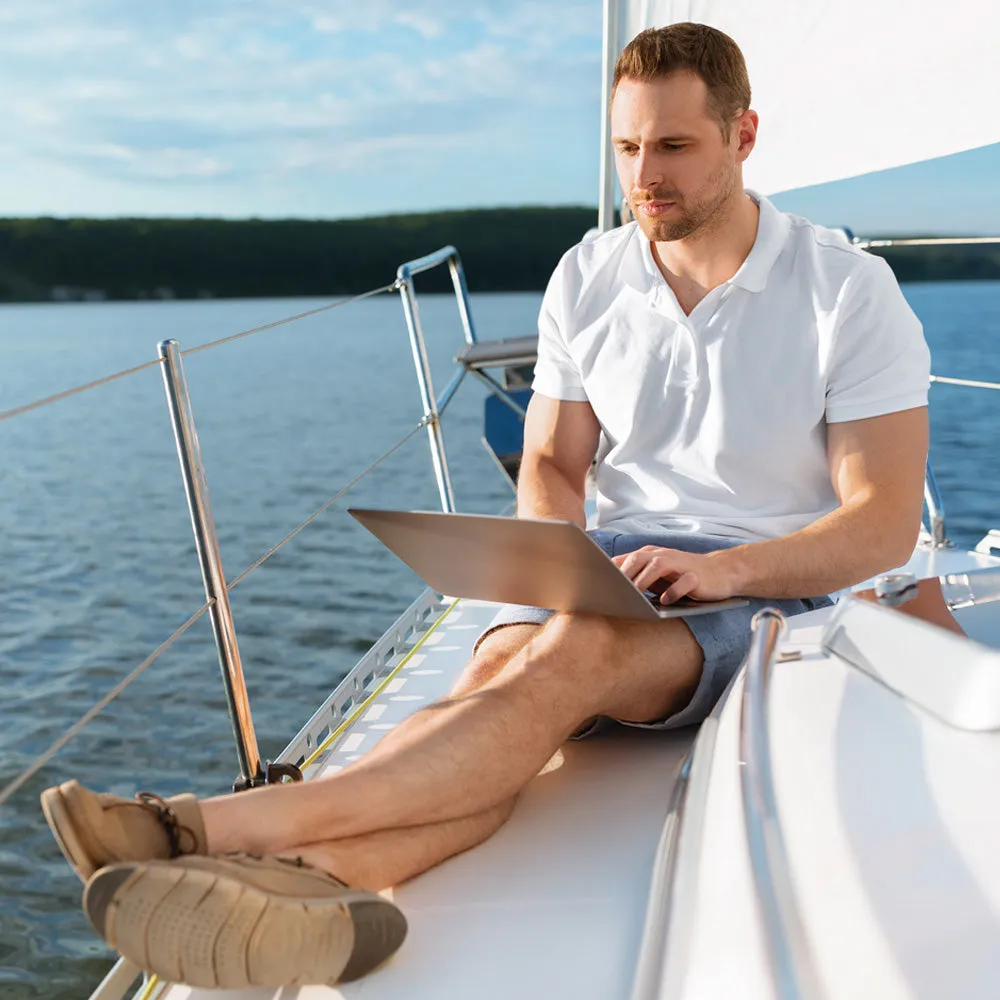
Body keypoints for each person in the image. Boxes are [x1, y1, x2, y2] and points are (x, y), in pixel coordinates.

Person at [40, 21, 930, 990]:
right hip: (618, 562)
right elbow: (550, 458)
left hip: (764, 589)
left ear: (743, 135)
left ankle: (202, 824)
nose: (645, 175)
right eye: (627, 149)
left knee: (573, 657)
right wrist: (556, 567)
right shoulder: (588, 275)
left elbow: (879, 522)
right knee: (501, 681)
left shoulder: (844, 290)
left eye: (673, 146)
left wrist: (720, 571)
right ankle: (338, 882)